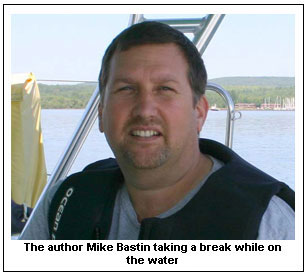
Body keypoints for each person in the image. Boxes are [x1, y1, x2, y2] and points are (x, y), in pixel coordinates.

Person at [20, 21, 294, 240]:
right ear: (102, 114)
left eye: (165, 89)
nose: (144, 109)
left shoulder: (269, 226)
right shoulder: (66, 204)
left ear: (199, 112)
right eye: (126, 89)